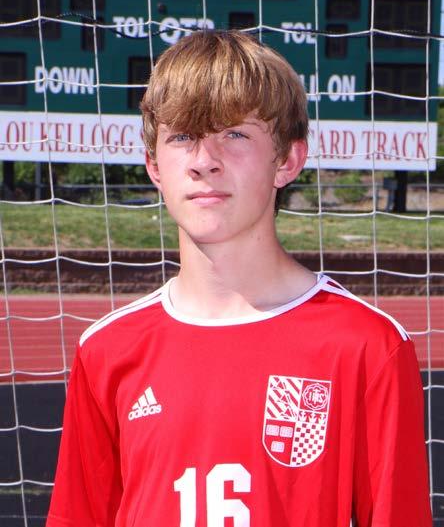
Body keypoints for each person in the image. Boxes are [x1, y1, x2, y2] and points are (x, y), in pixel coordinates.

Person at [46, 30, 432, 527]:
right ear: (154, 166)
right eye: (182, 136)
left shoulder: (367, 347)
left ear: (287, 160)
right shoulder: (106, 350)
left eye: (234, 134)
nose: (204, 161)